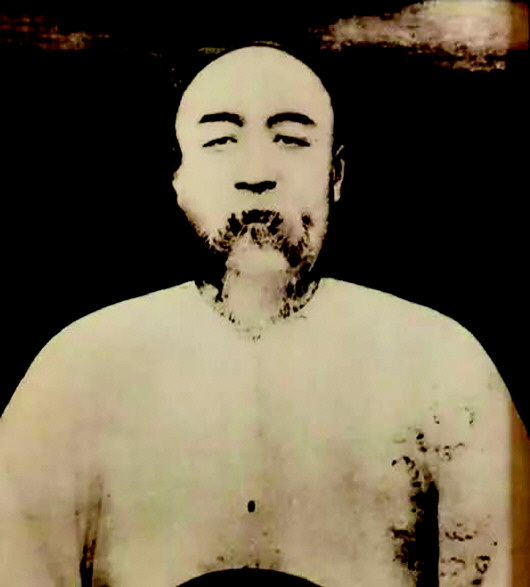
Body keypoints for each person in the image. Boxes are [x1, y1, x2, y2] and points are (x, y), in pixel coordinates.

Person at [1, 44, 528, 587]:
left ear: (336, 174)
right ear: (179, 177)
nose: (256, 174)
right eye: (221, 141)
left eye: (292, 139)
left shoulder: (443, 365)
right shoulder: (78, 370)